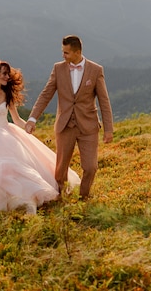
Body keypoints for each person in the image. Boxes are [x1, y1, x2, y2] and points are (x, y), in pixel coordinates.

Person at [0, 60, 81, 214]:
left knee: (14, 168)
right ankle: (0, 202)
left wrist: (28, 126)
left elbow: (16, 119)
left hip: (5, 135)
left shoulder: (6, 94)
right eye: (4, 74)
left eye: (7, 74)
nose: (7, 77)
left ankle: (23, 198)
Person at [25, 35, 113, 200]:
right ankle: (60, 196)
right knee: (61, 168)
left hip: (88, 126)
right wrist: (32, 119)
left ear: (77, 52)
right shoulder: (58, 69)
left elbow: (104, 101)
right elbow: (46, 94)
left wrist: (109, 129)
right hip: (65, 125)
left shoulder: (96, 70)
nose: (63, 56)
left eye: (66, 52)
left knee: (91, 167)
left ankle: (84, 197)